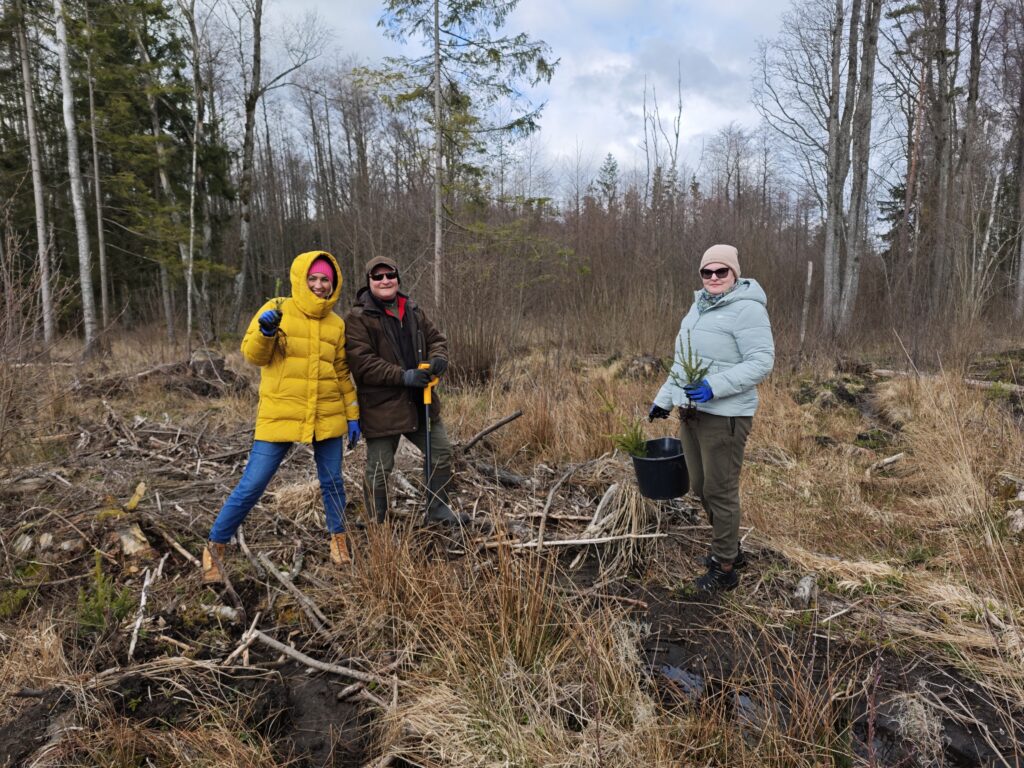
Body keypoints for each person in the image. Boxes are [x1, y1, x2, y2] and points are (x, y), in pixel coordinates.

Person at [202, 251, 361, 583]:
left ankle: (338, 540)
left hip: (326, 413)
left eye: (325, 280)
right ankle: (215, 546)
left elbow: (341, 372)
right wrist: (266, 332)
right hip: (280, 413)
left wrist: (352, 415)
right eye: (313, 278)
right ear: (301, 279)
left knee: (333, 482)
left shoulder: (336, 324)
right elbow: (253, 356)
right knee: (253, 483)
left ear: (334, 283)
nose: (319, 285)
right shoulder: (277, 308)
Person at [648, 244, 774, 593]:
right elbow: (682, 362)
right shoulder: (698, 308)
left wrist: (713, 387)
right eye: (707, 271)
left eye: (722, 271)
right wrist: (663, 400)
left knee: (720, 489)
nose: (714, 277)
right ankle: (729, 546)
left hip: (726, 416)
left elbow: (761, 362)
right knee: (701, 486)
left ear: (735, 274)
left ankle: (725, 568)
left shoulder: (748, 309)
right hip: (692, 413)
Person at [344, 257, 467, 526]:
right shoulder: (357, 318)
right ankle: (375, 522)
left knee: (441, 452)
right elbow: (363, 364)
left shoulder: (412, 309)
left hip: (420, 401)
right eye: (378, 277)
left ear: (397, 278)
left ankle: (437, 511)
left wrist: (438, 359)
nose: (385, 280)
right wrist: (403, 376)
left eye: (390, 275)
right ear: (369, 282)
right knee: (379, 468)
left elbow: (437, 340)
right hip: (382, 408)